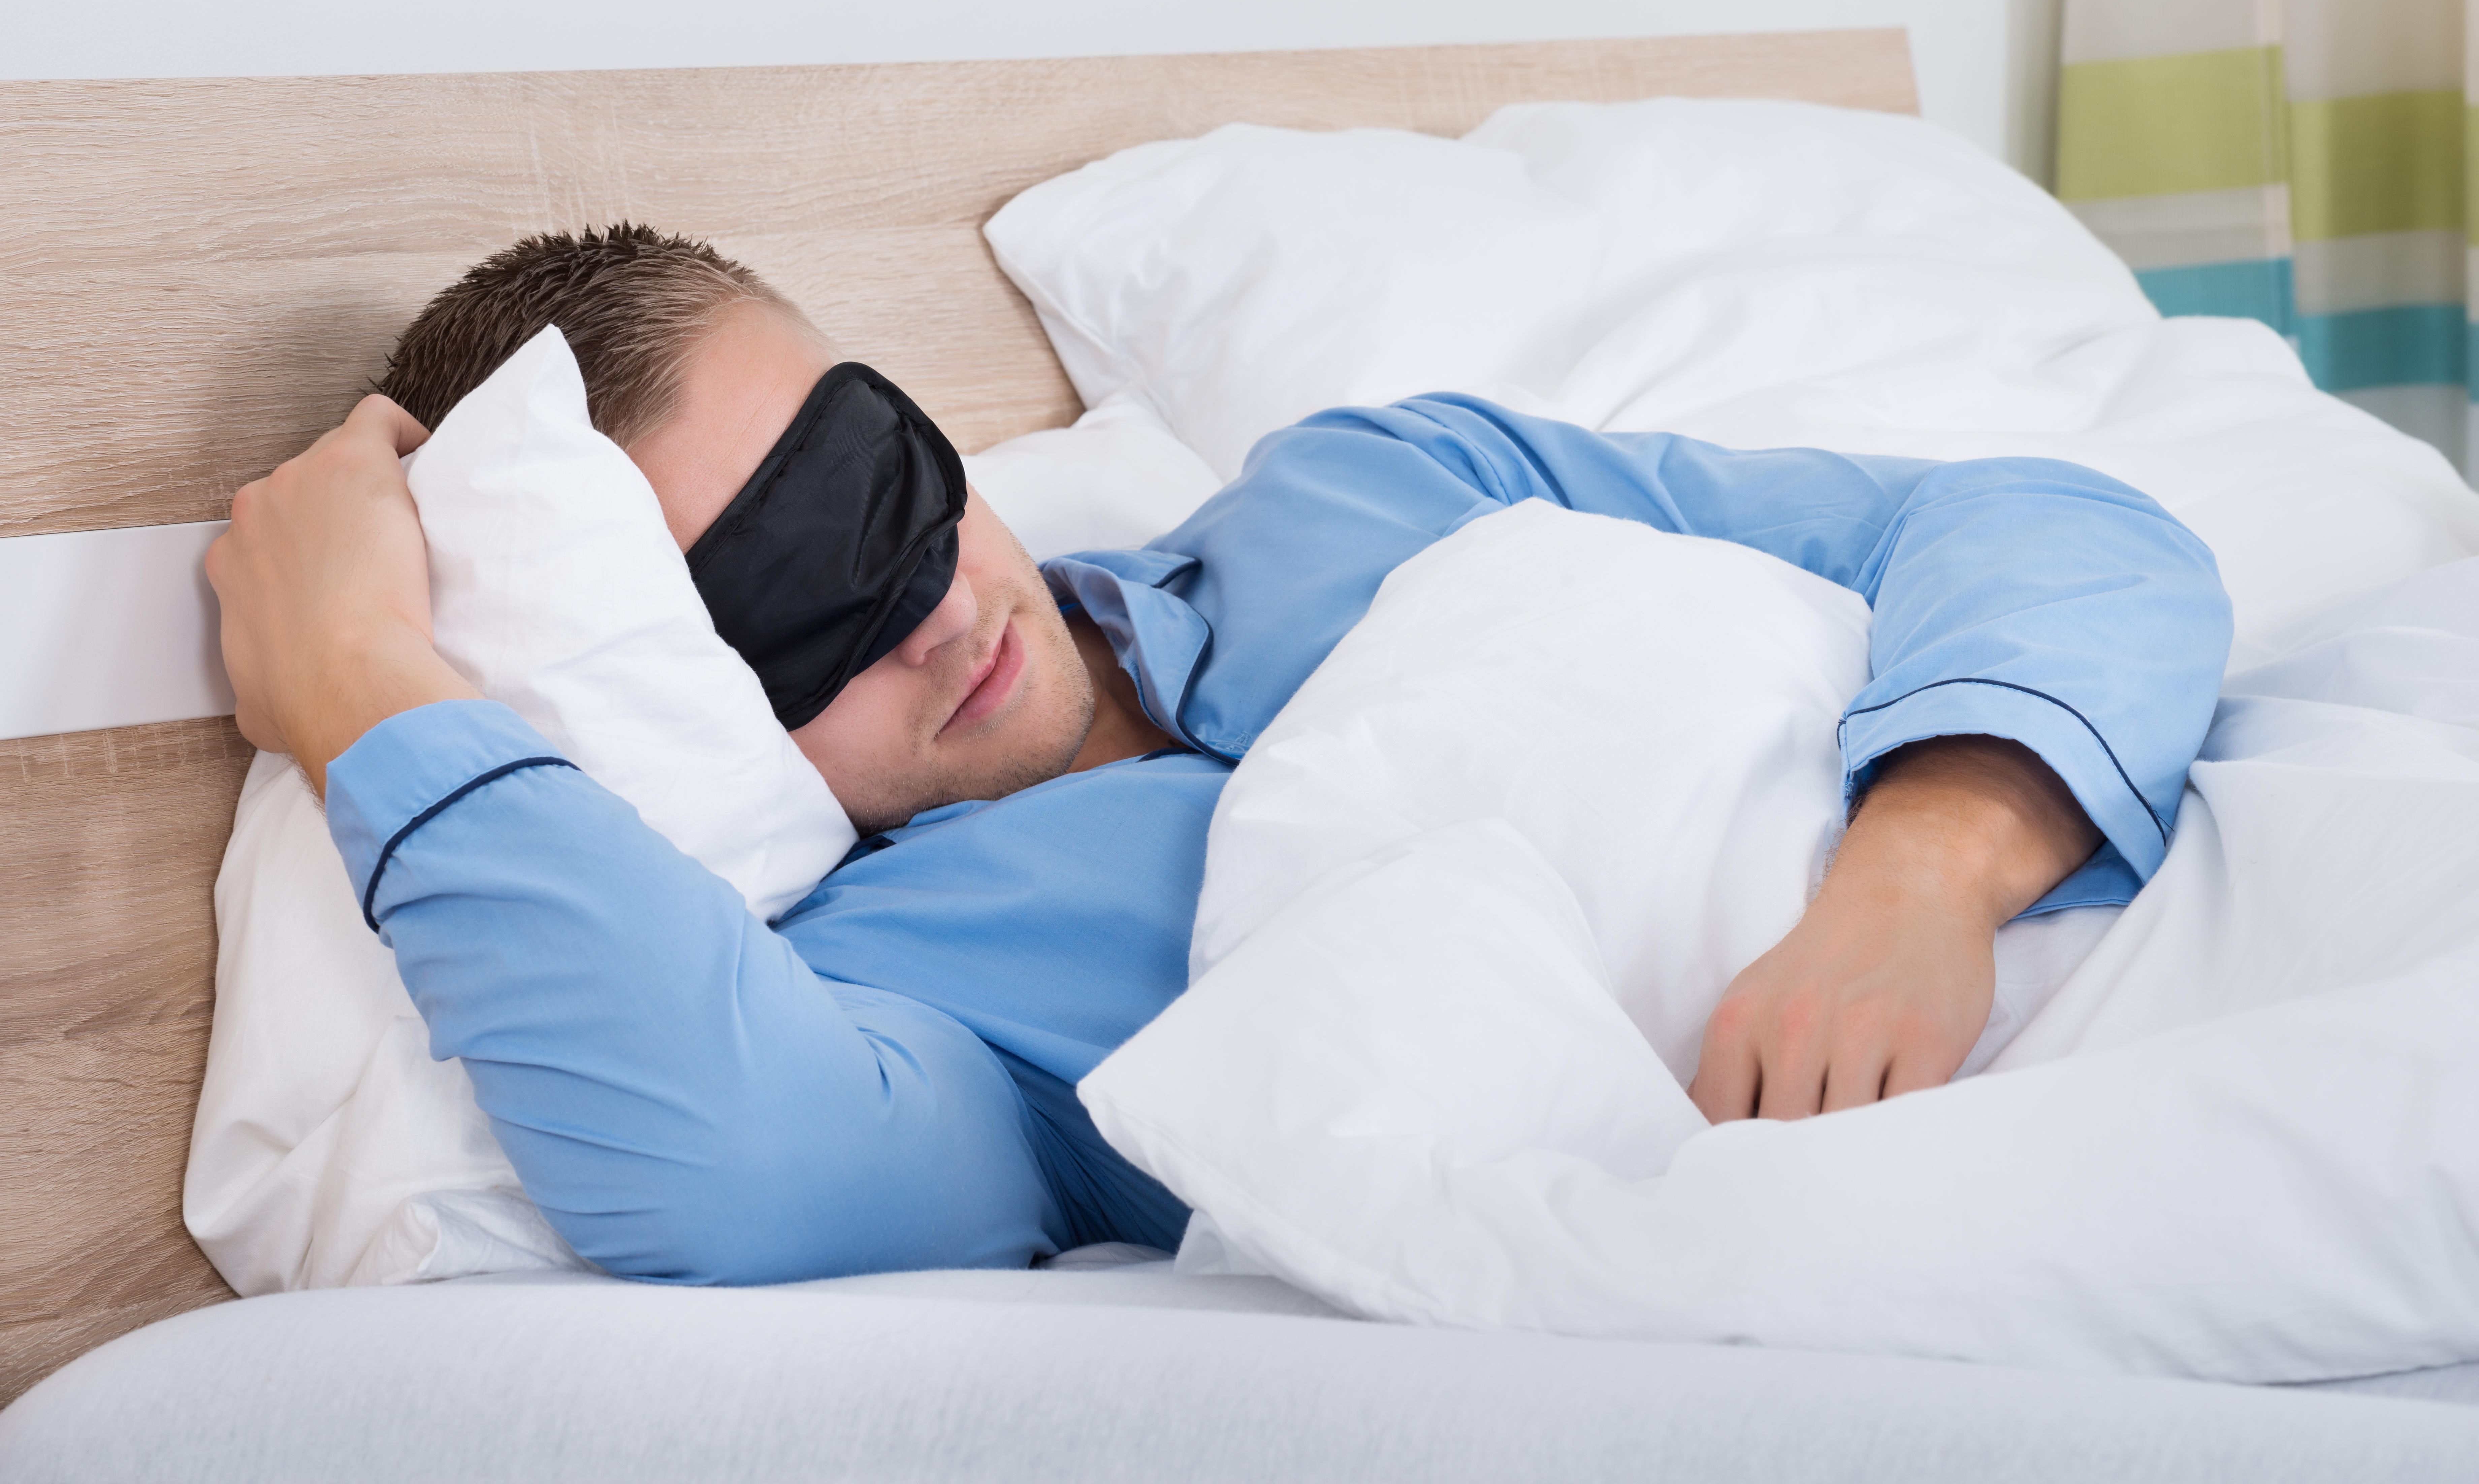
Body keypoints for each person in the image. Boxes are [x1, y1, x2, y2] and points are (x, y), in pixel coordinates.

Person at [207, 224, 2233, 1284]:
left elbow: (2052, 529)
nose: (923, 611)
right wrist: (369, 686)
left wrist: (1932, 866)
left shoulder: (1373, 486)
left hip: (2142, 926)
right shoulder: (915, 996)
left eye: (877, 487)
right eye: (780, 619)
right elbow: (750, 1177)